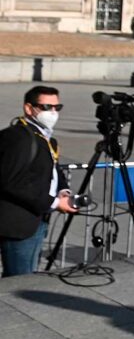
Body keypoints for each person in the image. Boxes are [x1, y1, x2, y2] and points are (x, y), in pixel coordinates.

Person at [0, 86, 78, 276]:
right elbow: (13, 182)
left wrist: (63, 191)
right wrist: (55, 203)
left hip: (37, 218)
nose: (52, 113)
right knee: (19, 280)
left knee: (27, 274)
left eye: (56, 107)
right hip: (18, 223)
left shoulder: (46, 138)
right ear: (29, 108)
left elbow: (53, 169)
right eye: (46, 107)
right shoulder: (19, 137)